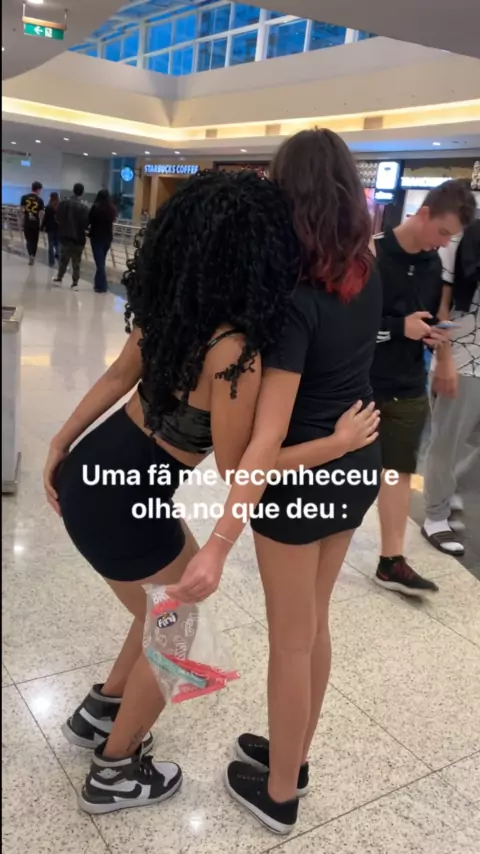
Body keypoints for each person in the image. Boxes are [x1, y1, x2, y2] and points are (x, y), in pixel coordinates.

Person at [42, 169, 379, 817]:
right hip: (125, 501)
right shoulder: (234, 350)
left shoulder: (175, 302)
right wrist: (334, 445)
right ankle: (114, 769)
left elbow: (115, 378)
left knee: (159, 609)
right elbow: (239, 464)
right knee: (181, 633)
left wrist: (62, 441)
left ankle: (101, 711)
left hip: (97, 472)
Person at [169, 129, 383, 835]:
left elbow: (265, 441)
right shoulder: (366, 269)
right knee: (313, 624)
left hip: (300, 484)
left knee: (291, 640)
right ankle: (296, 753)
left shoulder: (294, 300)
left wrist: (219, 542)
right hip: (357, 466)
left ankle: (280, 793)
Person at [369, 179, 476, 596]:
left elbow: (432, 320)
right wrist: (400, 328)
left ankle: (391, 560)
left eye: (452, 238)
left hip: (408, 382)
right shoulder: (372, 254)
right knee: (345, 471)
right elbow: (351, 327)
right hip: (360, 382)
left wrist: (442, 352)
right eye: (443, 232)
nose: (445, 243)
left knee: (398, 469)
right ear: (424, 213)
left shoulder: (433, 265)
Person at [422, 217, 480, 555]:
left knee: (465, 444)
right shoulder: (463, 240)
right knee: (447, 441)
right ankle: (435, 516)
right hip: (463, 359)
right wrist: (444, 359)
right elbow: (442, 306)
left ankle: (447, 487)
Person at [53, 182, 89, 291]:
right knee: (76, 261)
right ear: (82, 193)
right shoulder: (84, 207)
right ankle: (75, 283)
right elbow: (86, 224)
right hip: (79, 238)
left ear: (73, 190)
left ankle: (59, 278)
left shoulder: (63, 203)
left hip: (65, 236)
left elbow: (58, 218)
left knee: (63, 258)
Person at [89, 189, 117, 293]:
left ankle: (102, 285)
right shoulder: (112, 209)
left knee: (99, 262)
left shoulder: (95, 208)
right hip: (107, 238)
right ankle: (98, 284)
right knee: (101, 261)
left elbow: (89, 220)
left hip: (96, 237)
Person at [20, 180, 44, 265]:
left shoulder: (24, 197)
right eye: (40, 190)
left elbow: (22, 210)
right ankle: (33, 255)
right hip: (35, 223)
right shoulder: (40, 200)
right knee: (35, 240)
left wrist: (22, 221)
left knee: (28, 240)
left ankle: (30, 254)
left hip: (27, 222)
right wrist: (41, 223)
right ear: (38, 189)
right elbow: (41, 213)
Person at [42, 192, 60, 267]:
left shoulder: (48, 206)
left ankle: (51, 262)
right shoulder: (60, 206)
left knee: (51, 244)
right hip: (58, 228)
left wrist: (42, 226)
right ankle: (58, 256)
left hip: (50, 228)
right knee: (58, 243)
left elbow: (45, 218)